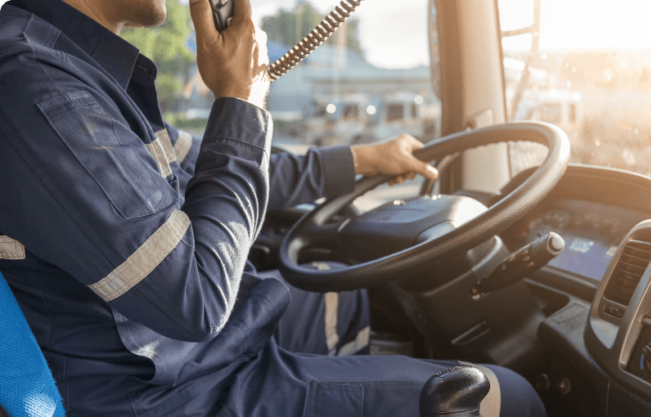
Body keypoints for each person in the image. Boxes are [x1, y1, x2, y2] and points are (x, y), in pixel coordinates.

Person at [0, 0, 546, 415]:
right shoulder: (42, 91)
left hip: (185, 353)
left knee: (345, 292)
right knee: (508, 397)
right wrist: (242, 98)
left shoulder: (79, 74)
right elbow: (196, 298)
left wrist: (360, 159)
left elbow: (211, 167)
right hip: (163, 392)